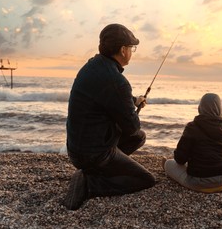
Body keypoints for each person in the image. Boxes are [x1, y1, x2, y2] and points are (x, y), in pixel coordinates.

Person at [64, 23, 156, 210]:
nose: (132, 51)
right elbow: (132, 127)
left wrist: (133, 101)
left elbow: (106, 96)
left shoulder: (92, 66)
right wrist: (132, 111)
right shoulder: (117, 81)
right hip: (93, 154)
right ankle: (91, 184)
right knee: (145, 179)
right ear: (123, 50)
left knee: (140, 138)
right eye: (131, 48)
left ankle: (97, 171)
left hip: (77, 148)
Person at [162, 93, 222, 193]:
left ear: (200, 108)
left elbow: (180, 159)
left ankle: (167, 166)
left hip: (199, 183)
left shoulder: (192, 128)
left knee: (169, 164)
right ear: (221, 108)